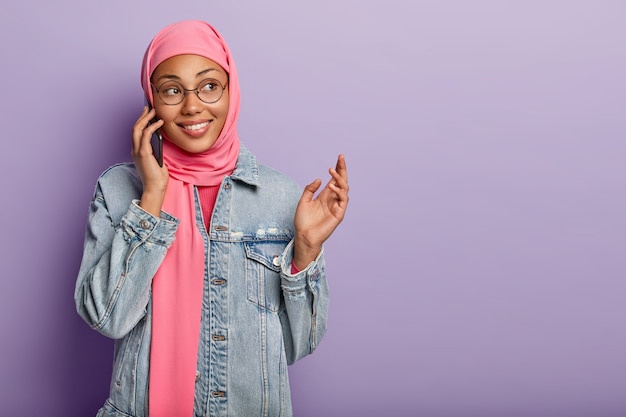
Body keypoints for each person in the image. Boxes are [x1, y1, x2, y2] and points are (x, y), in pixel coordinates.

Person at [74, 20, 348, 417]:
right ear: (151, 102)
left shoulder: (283, 199)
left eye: (208, 86)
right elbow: (106, 318)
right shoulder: (119, 190)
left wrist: (304, 254)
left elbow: (296, 346)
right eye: (172, 90)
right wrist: (152, 197)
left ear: (230, 90)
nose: (191, 106)